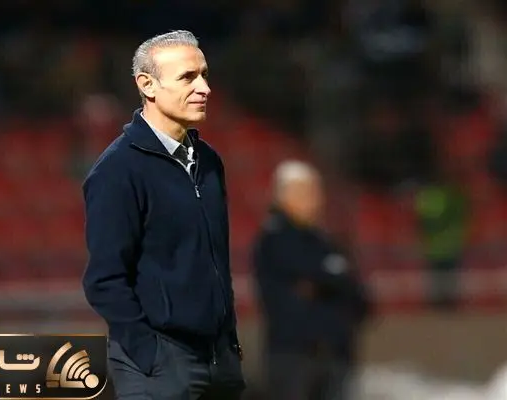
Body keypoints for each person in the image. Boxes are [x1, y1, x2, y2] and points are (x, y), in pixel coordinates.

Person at [82, 30, 245, 400]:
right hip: (161, 366)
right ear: (147, 85)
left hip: (219, 362)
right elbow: (104, 280)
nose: (204, 88)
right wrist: (149, 353)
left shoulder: (209, 161)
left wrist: (229, 341)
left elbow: (217, 264)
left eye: (204, 75)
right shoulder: (117, 170)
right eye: (188, 77)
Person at [252, 160, 370, 400]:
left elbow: (356, 293)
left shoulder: (326, 241)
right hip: (294, 355)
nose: (315, 199)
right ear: (282, 196)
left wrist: (330, 284)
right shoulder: (275, 239)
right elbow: (314, 272)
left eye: (316, 191)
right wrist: (334, 279)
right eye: (304, 191)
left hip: (335, 353)